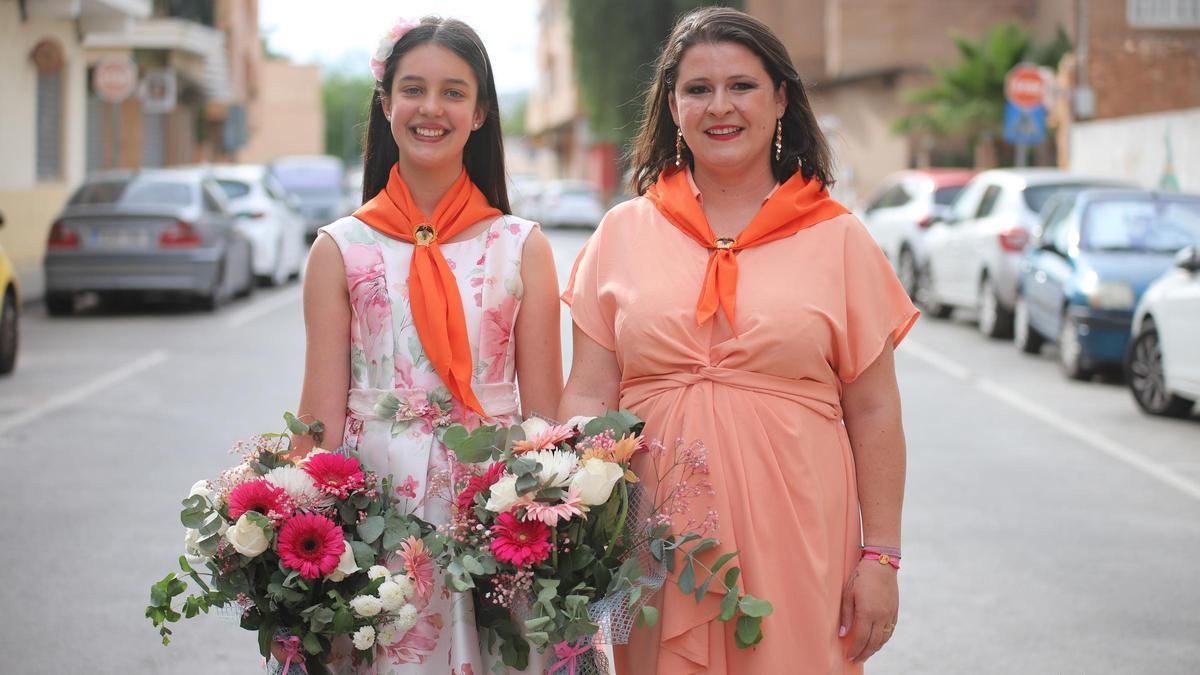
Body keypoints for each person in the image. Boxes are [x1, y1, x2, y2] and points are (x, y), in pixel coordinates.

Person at [559, 7, 916, 674]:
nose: (719, 106)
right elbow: (588, 387)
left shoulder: (839, 238)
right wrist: (567, 517)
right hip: (650, 537)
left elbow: (874, 409)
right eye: (698, 89)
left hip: (802, 533)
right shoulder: (620, 233)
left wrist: (882, 557)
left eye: (742, 86)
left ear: (781, 98)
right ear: (672, 106)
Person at [285, 16, 561, 674]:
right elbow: (318, 422)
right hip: (377, 508)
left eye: (454, 92)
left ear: (481, 111)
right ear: (385, 105)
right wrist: (293, 555)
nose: (431, 108)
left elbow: (546, 419)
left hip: (494, 510)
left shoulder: (523, 245)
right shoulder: (339, 248)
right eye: (413, 89)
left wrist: (554, 521)